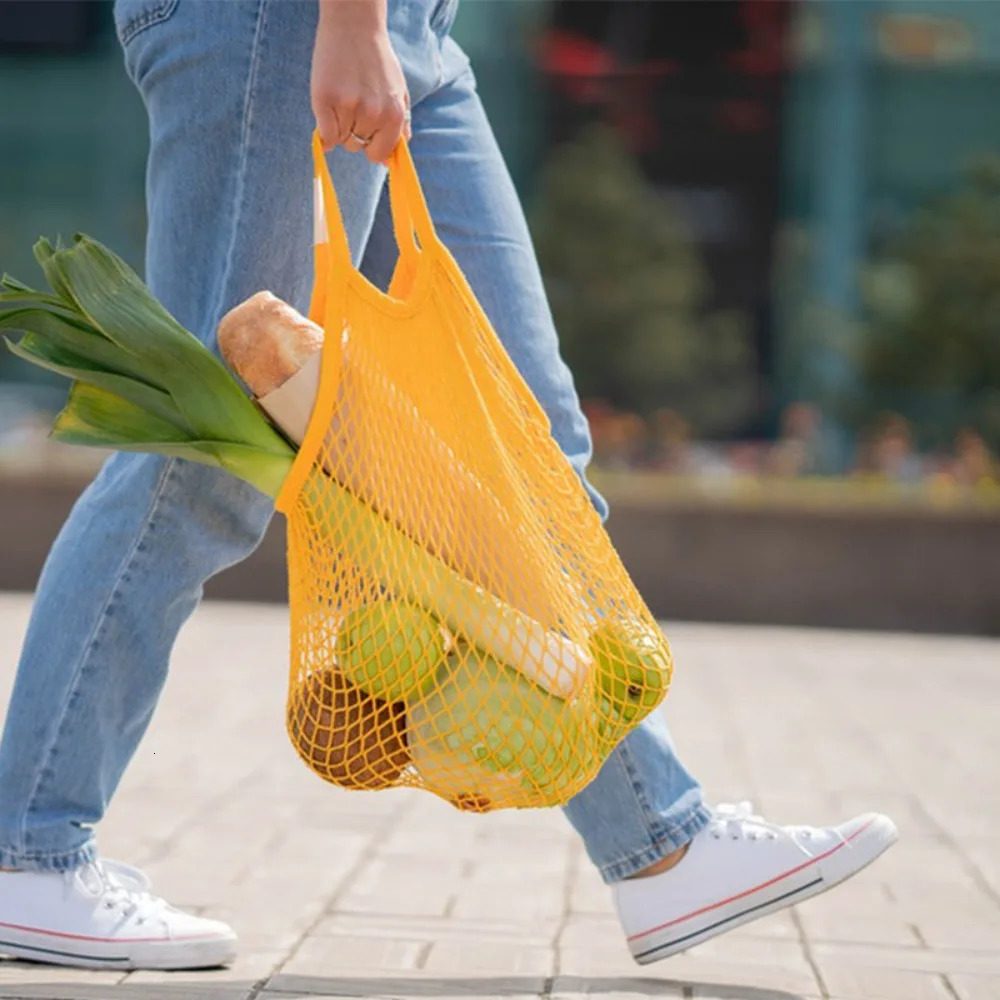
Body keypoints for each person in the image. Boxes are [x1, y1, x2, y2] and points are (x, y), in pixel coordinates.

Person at [0, 0, 897, 972]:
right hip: (288, 23)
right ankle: (27, 851)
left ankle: (661, 845)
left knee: (530, 451)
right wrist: (351, 23)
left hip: (412, 29)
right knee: (207, 451)